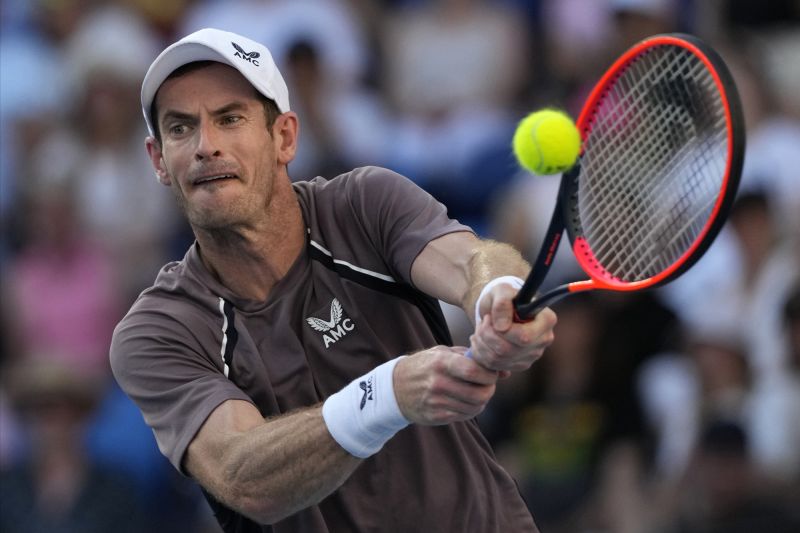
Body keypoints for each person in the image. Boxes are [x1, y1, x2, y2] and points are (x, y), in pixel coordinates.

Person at [110, 28, 557, 533]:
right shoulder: (157, 331)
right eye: (180, 128)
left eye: (230, 119)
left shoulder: (364, 203)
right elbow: (242, 477)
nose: (205, 146)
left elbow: (472, 262)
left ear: (284, 137)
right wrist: (388, 394)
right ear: (158, 160)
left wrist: (498, 297)